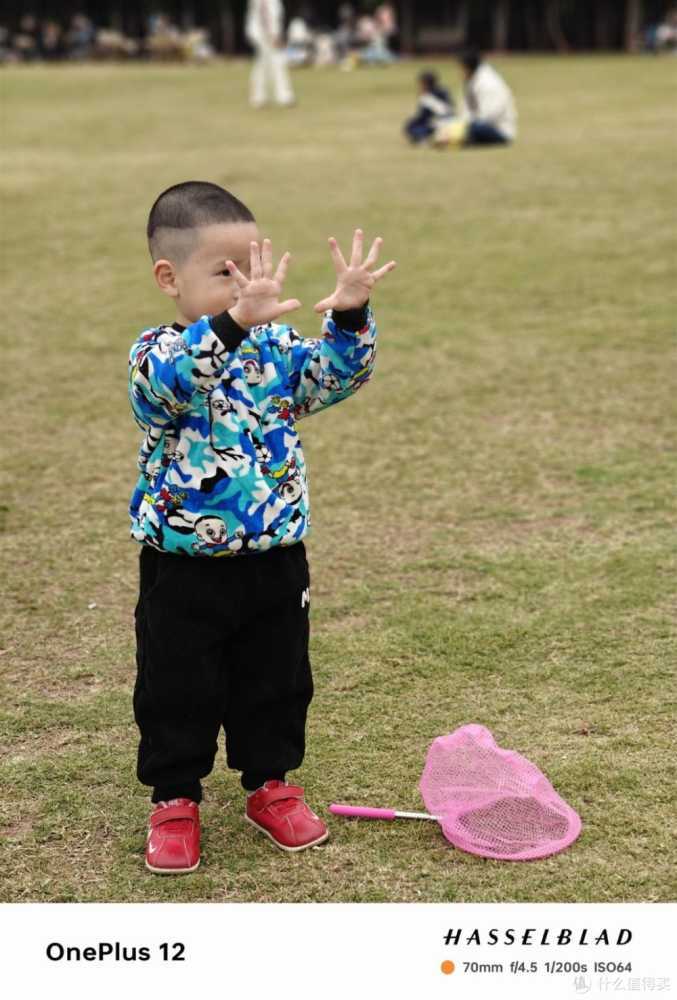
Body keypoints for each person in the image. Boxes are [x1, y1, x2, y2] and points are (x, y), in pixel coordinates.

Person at [128, 181, 396, 873]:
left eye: (254, 267)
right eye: (226, 274)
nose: (248, 287)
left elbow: (331, 379)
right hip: (183, 562)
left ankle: (270, 784)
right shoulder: (158, 351)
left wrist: (350, 316)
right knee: (176, 683)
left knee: (275, 679)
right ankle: (174, 796)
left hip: (275, 556)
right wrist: (229, 325)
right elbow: (163, 391)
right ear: (169, 277)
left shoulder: (274, 347)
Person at [457, 50, 517, 145]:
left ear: (468, 67)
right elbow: (465, 109)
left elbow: (490, 114)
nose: (459, 72)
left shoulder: (488, 83)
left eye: (461, 68)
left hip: (498, 130)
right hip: (477, 123)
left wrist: (466, 124)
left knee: (474, 128)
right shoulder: (471, 81)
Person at [245, 0, 295, 107]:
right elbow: (264, 14)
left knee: (263, 64)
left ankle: (259, 97)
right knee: (276, 62)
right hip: (263, 35)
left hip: (264, 34)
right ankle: (283, 96)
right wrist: (272, 35)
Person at [404, 70, 455, 144]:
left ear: (425, 84)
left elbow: (422, 117)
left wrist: (411, 123)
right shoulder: (444, 91)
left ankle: (424, 139)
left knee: (411, 126)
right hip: (453, 122)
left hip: (439, 124)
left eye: (420, 84)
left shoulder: (427, 97)